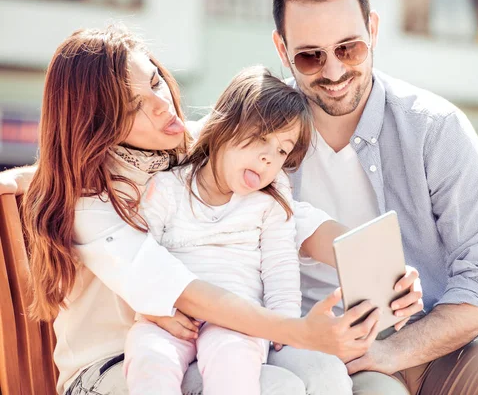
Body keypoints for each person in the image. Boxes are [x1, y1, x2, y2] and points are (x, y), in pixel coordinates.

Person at [5, 25, 423, 395]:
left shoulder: (191, 147)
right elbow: (180, 288)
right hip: (114, 366)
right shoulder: (90, 198)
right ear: (96, 123)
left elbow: (289, 216)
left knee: (322, 372)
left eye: (155, 81)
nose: (161, 105)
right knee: (278, 387)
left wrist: (382, 273)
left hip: (217, 338)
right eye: (133, 106)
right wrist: (297, 330)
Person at [267, 0, 478, 393]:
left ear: (373, 31)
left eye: (350, 48)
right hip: (323, 360)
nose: (334, 70)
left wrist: (395, 351)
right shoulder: (253, 131)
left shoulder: (435, 129)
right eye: (311, 56)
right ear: (282, 48)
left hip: (438, 346)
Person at [124, 66, 352, 395]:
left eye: (281, 150)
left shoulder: (269, 202)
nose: (267, 158)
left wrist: (285, 328)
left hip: (238, 322)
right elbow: (138, 257)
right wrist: (154, 310)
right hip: (172, 318)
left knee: (233, 362)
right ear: (224, 126)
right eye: (262, 138)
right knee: (150, 359)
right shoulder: (168, 188)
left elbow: (280, 267)